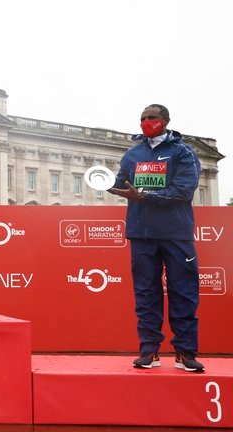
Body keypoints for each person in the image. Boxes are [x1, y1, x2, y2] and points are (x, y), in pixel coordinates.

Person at [109, 104, 204, 372]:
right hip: (141, 233)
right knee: (146, 292)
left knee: (183, 292)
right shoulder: (132, 153)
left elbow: (184, 191)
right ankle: (149, 350)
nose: (146, 122)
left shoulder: (182, 151)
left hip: (176, 233)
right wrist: (110, 185)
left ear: (165, 121)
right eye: (142, 118)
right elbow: (121, 183)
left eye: (151, 118)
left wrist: (146, 196)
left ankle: (185, 352)